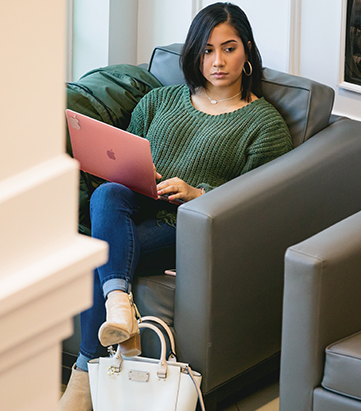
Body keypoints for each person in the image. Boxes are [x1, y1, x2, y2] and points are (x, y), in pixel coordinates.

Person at [59, 3, 292, 410]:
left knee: (100, 251)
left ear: (248, 51)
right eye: (206, 50)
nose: (217, 61)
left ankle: (84, 374)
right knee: (106, 195)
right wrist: (129, 171)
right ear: (193, 54)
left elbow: (260, 204)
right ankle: (119, 304)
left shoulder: (264, 124)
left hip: (186, 227)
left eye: (229, 48)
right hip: (135, 205)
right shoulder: (161, 99)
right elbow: (125, 157)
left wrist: (198, 195)